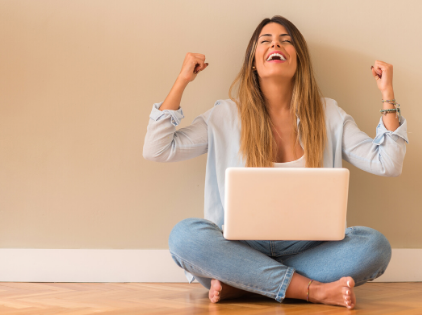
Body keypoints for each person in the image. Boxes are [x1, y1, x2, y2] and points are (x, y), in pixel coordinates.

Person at [142, 15, 409, 310]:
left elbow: (388, 163)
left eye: (285, 40)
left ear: (299, 60)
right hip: (238, 248)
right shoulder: (225, 116)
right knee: (185, 237)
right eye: (265, 41)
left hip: (309, 251)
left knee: (375, 246)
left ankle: (245, 283)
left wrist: (388, 95)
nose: (276, 44)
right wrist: (182, 80)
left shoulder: (328, 114)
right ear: (254, 63)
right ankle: (311, 290)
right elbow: (158, 148)